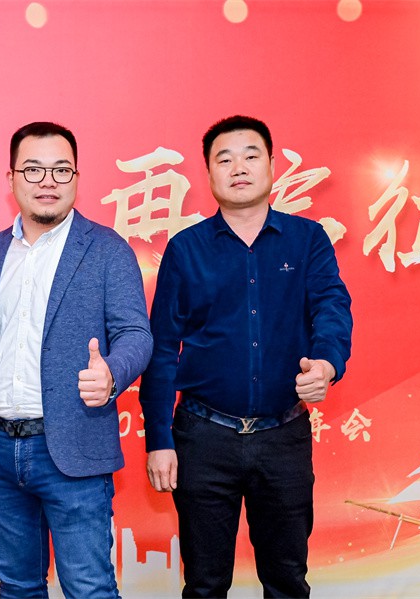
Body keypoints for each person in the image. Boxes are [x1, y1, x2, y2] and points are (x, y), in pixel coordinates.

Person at [139, 115, 352, 598]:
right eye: (225, 158)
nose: (239, 167)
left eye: (251, 155)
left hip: (283, 436)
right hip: (203, 438)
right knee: (205, 583)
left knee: (287, 580)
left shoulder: (308, 240)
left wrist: (326, 363)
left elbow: (332, 307)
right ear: (208, 173)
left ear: (272, 165)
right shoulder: (185, 249)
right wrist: (159, 439)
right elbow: (162, 348)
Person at [0, 121, 152, 598]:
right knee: (17, 588)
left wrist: (112, 374)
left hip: (73, 449)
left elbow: (136, 334)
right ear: (11, 178)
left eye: (61, 170)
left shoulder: (107, 250)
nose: (48, 181)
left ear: (77, 177)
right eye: (33, 170)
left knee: (89, 589)